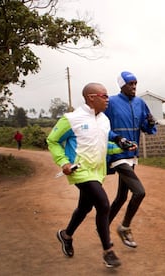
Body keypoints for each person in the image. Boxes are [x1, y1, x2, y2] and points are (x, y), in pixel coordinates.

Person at [46, 83, 121, 268]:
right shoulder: (71, 119)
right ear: (91, 97)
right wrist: (64, 162)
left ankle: (66, 235)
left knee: (84, 208)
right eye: (104, 96)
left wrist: (122, 147)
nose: (108, 99)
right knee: (103, 204)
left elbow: (103, 146)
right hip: (79, 171)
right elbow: (52, 140)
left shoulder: (104, 120)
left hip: (97, 171)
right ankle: (108, 251)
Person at [105, 71, 157, 249]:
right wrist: (117, 138)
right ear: (122, 85)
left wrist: (150, 123)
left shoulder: (140, 103)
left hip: (132, 156)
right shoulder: (111, 103)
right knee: (139, 192)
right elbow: (102, 127)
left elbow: (147, 129)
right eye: (130, 84)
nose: (134, 87)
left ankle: (102, 227)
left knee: (121, 196)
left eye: (135, 83)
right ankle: (124, 227)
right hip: (117, 154)